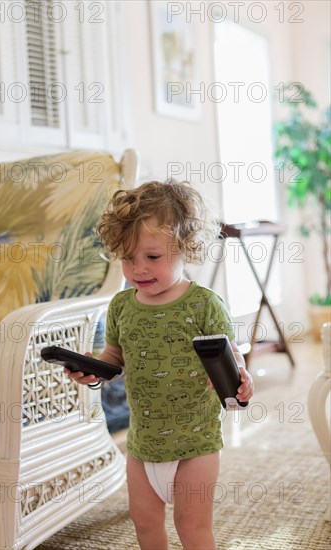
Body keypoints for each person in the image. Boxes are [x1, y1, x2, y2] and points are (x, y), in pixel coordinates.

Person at [66, 180, 254, 550]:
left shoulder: (203, 304)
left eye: (152, 257)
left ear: (187, 248)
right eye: (127, 257)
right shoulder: (122, 307)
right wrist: (94, 369)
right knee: (146, 526)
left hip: (195, 442)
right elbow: (114, 358)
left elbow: (230, 355)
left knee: (193, 529)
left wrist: (243, 376)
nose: (138, 269)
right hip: (141, 444)